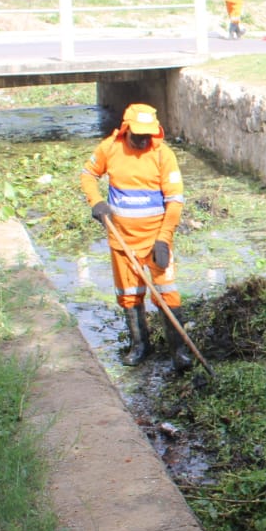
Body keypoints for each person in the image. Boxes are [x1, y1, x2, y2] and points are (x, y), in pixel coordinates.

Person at [79, 102, 190, 369]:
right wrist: (96, 202)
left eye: (147, 136)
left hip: (155, 240)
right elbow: (88, 175)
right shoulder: (110, 148)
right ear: (127, 129)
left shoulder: (163, 155)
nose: (142, 140)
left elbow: (174, 201)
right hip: (122, 240)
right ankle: (140, 345)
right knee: (129, 294)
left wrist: (164, 239)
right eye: (137, 135)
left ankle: (179, 351)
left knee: (167, 293)